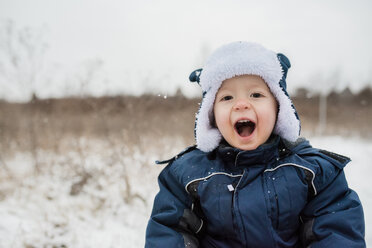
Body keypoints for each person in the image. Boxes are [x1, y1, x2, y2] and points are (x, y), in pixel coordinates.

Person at [145, 41, 365, 247]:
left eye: (256, 94)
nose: (241, 104)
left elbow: (336, 231)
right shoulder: (188, 175)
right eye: (227, 98)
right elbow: (170, 231)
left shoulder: (315, 172)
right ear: (211, 115)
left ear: (278, 108)